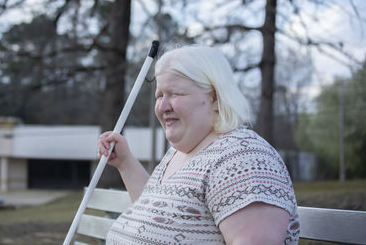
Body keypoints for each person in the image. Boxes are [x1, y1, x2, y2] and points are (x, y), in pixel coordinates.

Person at [98, 45, 300, 244]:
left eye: (175, 94)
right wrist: (125, 163)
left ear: (213, 96)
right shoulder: (177, 155)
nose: (162, 106)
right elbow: (155, 213)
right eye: (159, 96)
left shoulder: (243, 157)